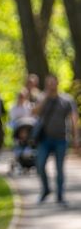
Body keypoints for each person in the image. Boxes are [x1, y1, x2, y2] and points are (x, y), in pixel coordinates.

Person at [32, 75, 79, 206]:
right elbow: (34, 112)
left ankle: (60, 196)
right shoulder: (42, 98)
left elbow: (73, 119)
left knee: (59, 168)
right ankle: (46, 190)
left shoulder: (66, 100)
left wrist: (76, 139)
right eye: (49, 83)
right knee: (40, 165)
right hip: (44, 139)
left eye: (53, 83)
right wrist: (45, 98)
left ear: (58, 83)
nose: (51, 85)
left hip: (61, 139)